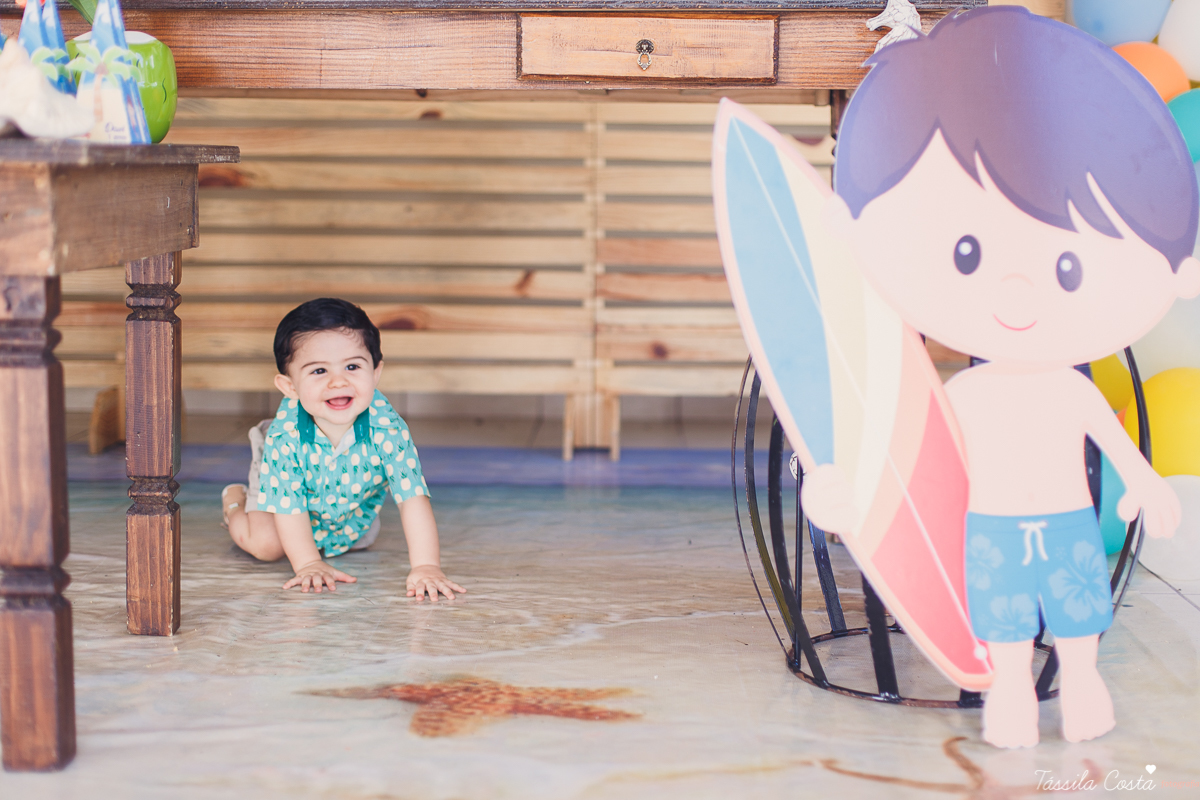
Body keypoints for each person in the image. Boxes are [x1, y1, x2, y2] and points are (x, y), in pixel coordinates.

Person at [807, 6, 1200, 747]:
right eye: (968, 255)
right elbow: (915, 456)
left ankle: (1082, 682)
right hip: (988, 529)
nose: (1018, 291)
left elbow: (1112, 447)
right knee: (1007, 620)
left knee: (1077, 620)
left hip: (1063, 524)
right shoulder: (966, 393)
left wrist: (1145, 484)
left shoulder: (1067, 386)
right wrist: (848, 491)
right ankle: (1012, 692)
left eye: (1064, 265)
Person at [221, 298, 466, 602]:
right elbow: (290, 507)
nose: (339, 381)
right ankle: (235, 500)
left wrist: (426, 566)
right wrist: (309, 563)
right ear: (290, 387)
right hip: (285, 486)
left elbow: (412, 498)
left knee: (358, 539)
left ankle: (331, 526)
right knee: (267, 545)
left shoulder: (388, 429)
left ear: (375, 373)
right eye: (319, 371)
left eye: (352, 366)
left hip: (347, 493)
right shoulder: (285, 439)